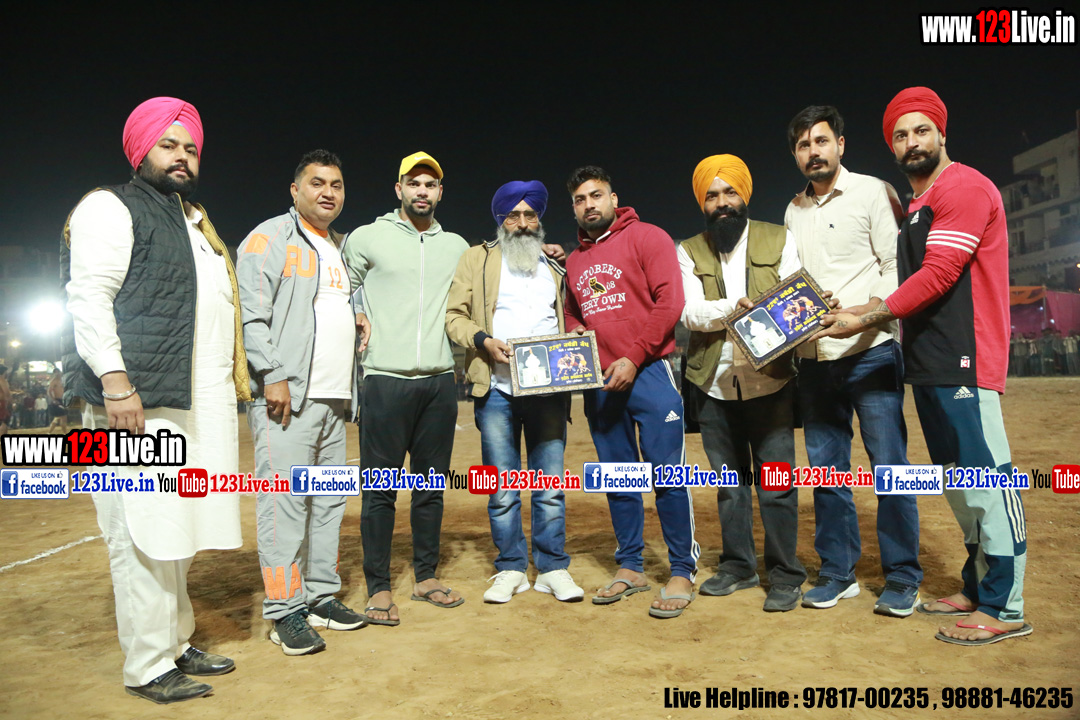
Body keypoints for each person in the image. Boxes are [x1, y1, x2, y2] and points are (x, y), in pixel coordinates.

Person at [818, 86, 1030, 645]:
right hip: (930, 364)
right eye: (900, 135)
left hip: (968, 360)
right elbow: (908, 284)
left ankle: (1007, 606)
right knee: (962, 488)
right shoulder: (915, 205)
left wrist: (864, 319)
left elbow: (939, 275)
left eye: (921, 131)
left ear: (941, 133)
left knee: (989, 483)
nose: (912, 142)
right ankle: (978, 586)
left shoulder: (964, 188)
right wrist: (862, 310)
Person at [61, 97, 250, 701]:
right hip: (126, 406)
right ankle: (146, 665)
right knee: (137, 535)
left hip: (188, 405)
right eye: (168, 145)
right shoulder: (109, 206)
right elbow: (89, 298)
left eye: (190, 147)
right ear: (141, 150)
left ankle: (173, 641)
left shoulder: (193, 222)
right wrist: (116, 382)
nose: (182, 156)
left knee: (176, 530)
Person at [784, 105, 922, 616]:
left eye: (821, 141)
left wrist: (861, 316)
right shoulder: (793, 211)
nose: (813, 152)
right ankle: (838, 572)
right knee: (826, 473)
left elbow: (894, 266)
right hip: (816, 359)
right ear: (796, 154)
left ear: (840, 144)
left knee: (890, 467)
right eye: (803, 145)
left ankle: (902, 576)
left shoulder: (872, 192)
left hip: (871, 350)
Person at [237, 150, 368, 655]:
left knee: (328, 504)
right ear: (295, 190)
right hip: (287, 399)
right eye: (317, 183)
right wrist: (271, 374)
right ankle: (284, 610)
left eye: (336, 184)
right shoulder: (270, 237)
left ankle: (319, 597)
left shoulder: (338, 247)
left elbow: (337, 304)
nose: (328, 192)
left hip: (335, 401)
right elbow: (252, 314)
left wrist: (360, 315)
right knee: (284, 507)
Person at [563, 165, 699, 619]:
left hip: (650, 373)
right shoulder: (575, 261)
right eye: (580, 199)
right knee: (619, 477)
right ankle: (631, 566)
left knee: (668, 476)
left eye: (596, 195)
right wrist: (576, 331)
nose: (589, 205)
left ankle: (681, 570)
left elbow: (670, 302)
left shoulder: (648, 237)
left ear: (613, 198)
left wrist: (635, 357)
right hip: (601, 383)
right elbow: (572, 313)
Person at [342, 152, 468, 625]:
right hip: (384, 380)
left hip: (438, 383)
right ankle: (379, 587)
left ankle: (426, 577)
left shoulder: (456, 246)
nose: (421, 191)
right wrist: (355, 311)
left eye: (430, 185)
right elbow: (337, 288)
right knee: (379, 492)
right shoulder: (366, 238)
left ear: (440, 193)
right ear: (399, 189)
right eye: (413, 183)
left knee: (430, 489)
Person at [679, 154, 807, 613]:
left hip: (770, 382)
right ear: (703, 203)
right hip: (713, 383)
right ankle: (737, 566)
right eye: (712, 196)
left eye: (730, 192)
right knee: (730, 486)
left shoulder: (780, 238)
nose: (722, 203)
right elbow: (689, 312)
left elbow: (794, 299)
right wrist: (736, 306)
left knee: (777, 484)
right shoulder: (688, 250)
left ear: (744, 195)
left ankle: (785, 574)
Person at [445, 180, 583, 604]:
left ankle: (552, 568)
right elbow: (454, 316)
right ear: (500, 220)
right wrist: (484, 341)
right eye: (513, 216)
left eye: (530, 215)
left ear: (539, 220)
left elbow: (572, 315)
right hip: (497, 390)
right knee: (503, 487)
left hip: (549, 392)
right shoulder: (477, 259)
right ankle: (510, 568)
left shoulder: (554, 265)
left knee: (549, 485)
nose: (522, 223)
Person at [46, 369, 68, 433]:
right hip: (58, 400)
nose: (57, 374)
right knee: (63, 417)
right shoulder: (54, 381)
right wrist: (54, 400)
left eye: (58, 372)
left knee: (57, 418)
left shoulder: (63, 380)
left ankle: (49, 432)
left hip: (63, 400)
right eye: (55, 373)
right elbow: (49, 391)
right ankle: (65, 433)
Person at [0, 365, 10, 436]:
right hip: (2, 403)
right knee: (4, 422)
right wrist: (9, 403)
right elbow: (7, 393)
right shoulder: (1, 380)